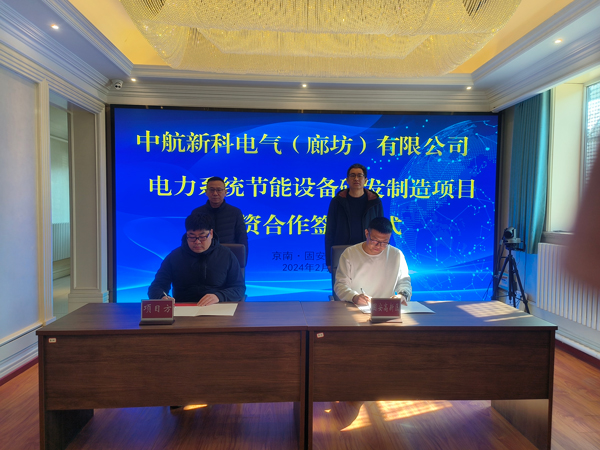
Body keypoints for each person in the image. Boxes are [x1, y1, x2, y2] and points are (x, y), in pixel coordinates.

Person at [147, 213, 245, 304]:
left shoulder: (226, 255)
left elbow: (239, 288)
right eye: (192, 237)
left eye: (202, 237)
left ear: (211, 233)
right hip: (184, 309)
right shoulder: (174, 257)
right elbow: (156, 286)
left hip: (217, 308)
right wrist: (162, 297)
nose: (197, 242)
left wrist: (219, 296)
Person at [334, 217, 412, 306]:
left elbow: (404, 282)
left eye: (385, 242)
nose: (379, 246)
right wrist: (354, 297)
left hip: (386, 307)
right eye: (375, 240)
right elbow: (340, 285)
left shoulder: (396, 255)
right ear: (367, 233)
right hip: (357, 306)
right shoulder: (350, 253)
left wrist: (402, 295)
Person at [325, 163, 383, 272]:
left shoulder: (375, 202)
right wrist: (329, 260)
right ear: (347, 180)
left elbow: (381, 231)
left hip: (368, 252)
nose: (356, 178)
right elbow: (330, 231)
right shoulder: (337, 201)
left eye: (360, 175)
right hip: (342, 252)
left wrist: (382, 255)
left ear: (365, 180)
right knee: (343, 282)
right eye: (352, 175)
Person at [191, 176, 248, 259]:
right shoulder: (197, 213)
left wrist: (241, 261)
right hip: (203, 258)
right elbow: (191, 237)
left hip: (228, 258)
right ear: (206, 192)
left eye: (219, 190)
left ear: (225, 192)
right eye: (211, 190)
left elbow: (242, 238)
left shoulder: (235, 212)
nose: (215, 193)